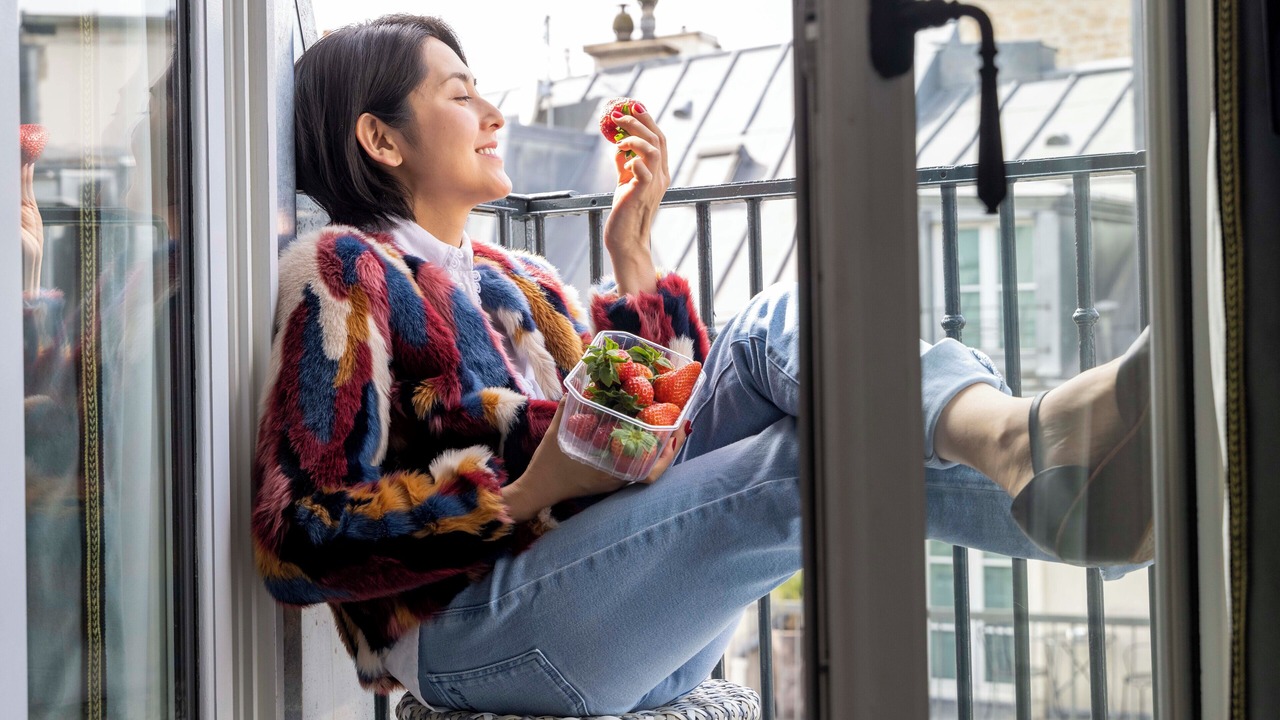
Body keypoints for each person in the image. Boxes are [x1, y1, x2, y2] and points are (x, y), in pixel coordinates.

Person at [251, 14, 1153, 716]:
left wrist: (634, 252)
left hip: (612, 611)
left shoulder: (514, 280)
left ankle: (1031, 446)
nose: (493, 114)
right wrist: (520, 497)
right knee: (809, 461)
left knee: (774, 331)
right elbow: (298, 536)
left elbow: (655, 432)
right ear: (382, 139)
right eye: (460, 95)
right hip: (475, 637)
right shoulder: (346, 275)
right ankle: (1096, 486)